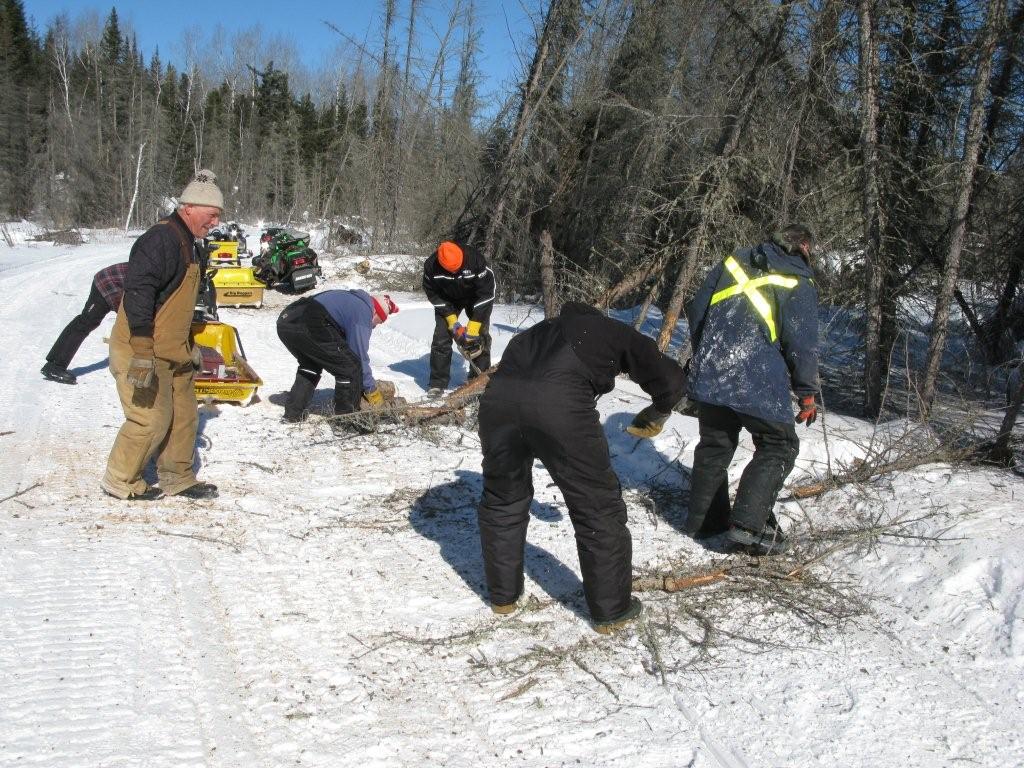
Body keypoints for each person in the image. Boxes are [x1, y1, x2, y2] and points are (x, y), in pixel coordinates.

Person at [476, 303, 685, 634]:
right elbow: (667, 376)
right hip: (558, 407)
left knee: (503, 498)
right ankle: (612, 611)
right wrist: (660, 409)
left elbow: (513, 380)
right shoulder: (602, 329)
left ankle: (503, 598)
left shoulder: (534, 333)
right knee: (596, 505)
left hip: (496, 407)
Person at [682, 224, 819, 555]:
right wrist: (807, 393)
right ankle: (748, 525)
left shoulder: (734, 261)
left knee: (715, 445)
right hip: (757, 374)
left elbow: (697, 309)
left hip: (713, 368)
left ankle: (704, 522)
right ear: (803, 246)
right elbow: (802, 343)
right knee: (779, 444)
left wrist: (706, 354)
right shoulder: (798, 279)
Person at [100, 170, 224, 501]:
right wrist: (142, 349)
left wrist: (189, 344)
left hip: (173, 349)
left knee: (184, 416)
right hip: (142, 347)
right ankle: (120, 480)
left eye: (218, 216)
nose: (215, 223)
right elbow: (139, 293)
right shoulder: (160, 240)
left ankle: (177, 477)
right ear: (189, 207)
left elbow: (178, 302)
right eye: (212, 215)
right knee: (150, 418)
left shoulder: (190, 242)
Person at [276, 289, 398, 433]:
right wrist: (371, 391)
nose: (376, 326)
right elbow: (359, 357)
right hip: (311, 320)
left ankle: (293, 414)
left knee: (311, 364)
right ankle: (345, 422)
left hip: (287, 321)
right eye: (379, 321)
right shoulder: (364, 312)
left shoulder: (351, 301)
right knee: (350, 368)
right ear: (376, 312)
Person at [422, 240, 495, 396]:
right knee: (441, 338)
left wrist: (474, 325)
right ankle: (437, 383)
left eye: (457, 269)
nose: (455, 273)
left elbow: (487, 293)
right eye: (451, 271)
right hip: (447, 300)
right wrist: (451, 320)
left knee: (480, 335)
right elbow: (432, 293)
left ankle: (478, 379)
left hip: (475, 298)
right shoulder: (431, 266)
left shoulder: (475, 260)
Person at [41, 262, 128, 384]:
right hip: (107, 281)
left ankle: (54, 365)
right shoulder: (151, 274)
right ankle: (55, 366)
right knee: (85, 322)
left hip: (119, 284)